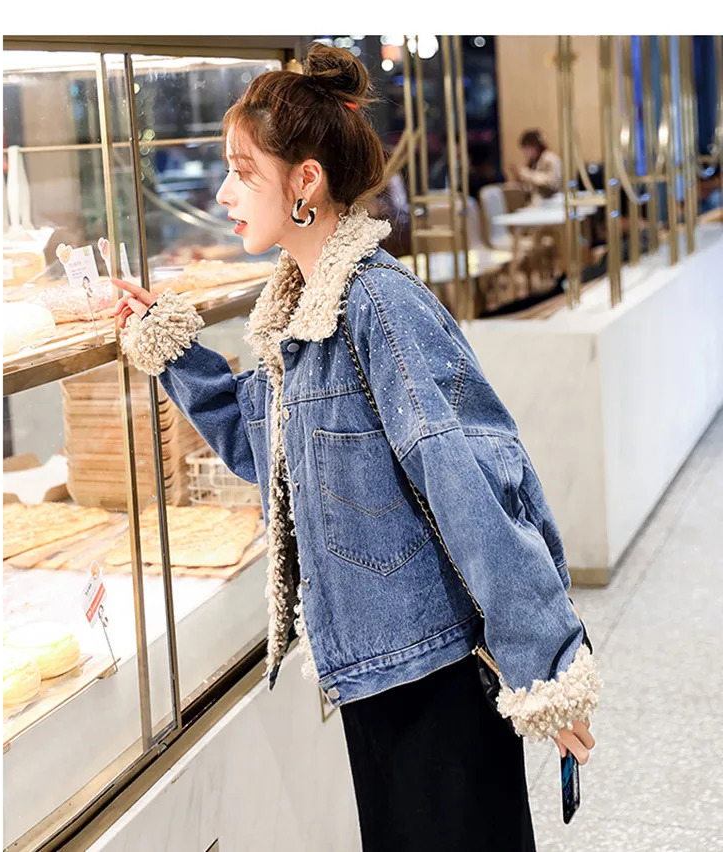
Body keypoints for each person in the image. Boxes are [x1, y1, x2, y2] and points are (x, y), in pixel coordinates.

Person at [113, 44, 600, 852]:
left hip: (437, 676)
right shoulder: (300, 318)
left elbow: (472, 483)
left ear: (305, 181)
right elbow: (257, 444)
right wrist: (165, 343)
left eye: (242, 172)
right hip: (378, 674)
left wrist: (546, 662)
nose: (223, 194)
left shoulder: (379, 305)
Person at [510, 129, 563, 200]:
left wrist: (527, 174)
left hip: (553, 200)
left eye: (526, 148)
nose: (524, 153)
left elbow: (552, 182)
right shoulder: (535, 162)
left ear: (534, 146)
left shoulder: (549, 158)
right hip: (542, 201)